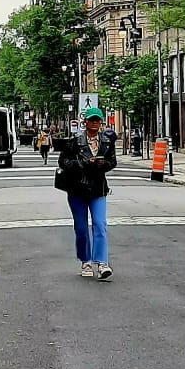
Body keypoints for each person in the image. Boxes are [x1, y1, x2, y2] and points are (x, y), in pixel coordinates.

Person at [56, 105, 116, 278]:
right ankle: (86, 261)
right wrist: (83, 164)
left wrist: (102, 164)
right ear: (86, 122)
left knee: (100, 224)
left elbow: (112, 162)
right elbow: (63, 161)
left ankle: (102, 263)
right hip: (77, 189)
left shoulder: (106, 141)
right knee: (81, 228)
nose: (96, 123)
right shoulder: (75, 141)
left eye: (98, 120)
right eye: (92, 120)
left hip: (98, 189)